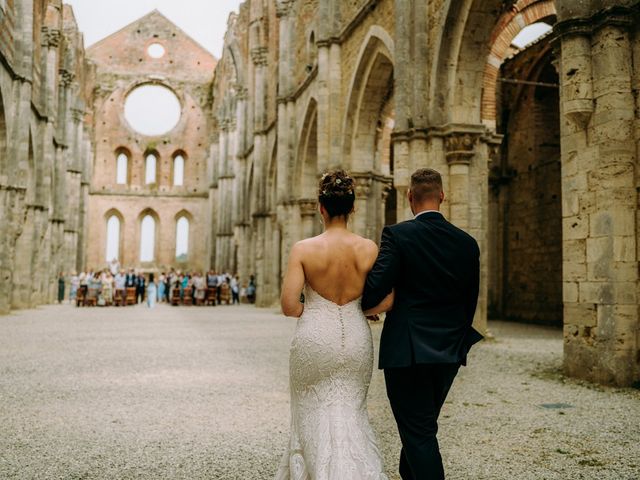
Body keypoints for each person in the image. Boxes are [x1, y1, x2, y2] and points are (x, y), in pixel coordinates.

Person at [361, 168, 482, 480]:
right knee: (422, 427)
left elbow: (374, 287)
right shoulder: (467, 243)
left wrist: (373, 305)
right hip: (450, 352)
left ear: (409, 196)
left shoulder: (398, 235)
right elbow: (470, 301)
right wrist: (456, 342)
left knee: (419, 433)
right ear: (442, 196)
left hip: (408, 351)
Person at [276, 170, 387, 479]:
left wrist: (312, 309)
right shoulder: (368, 248)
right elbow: (388, 299)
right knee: (351, 411)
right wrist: (360, 309)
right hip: (354, 336)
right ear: (353, 208)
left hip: (314, 337)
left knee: (312, 411)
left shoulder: (304, 249)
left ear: (320, 208)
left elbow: (288, 305)